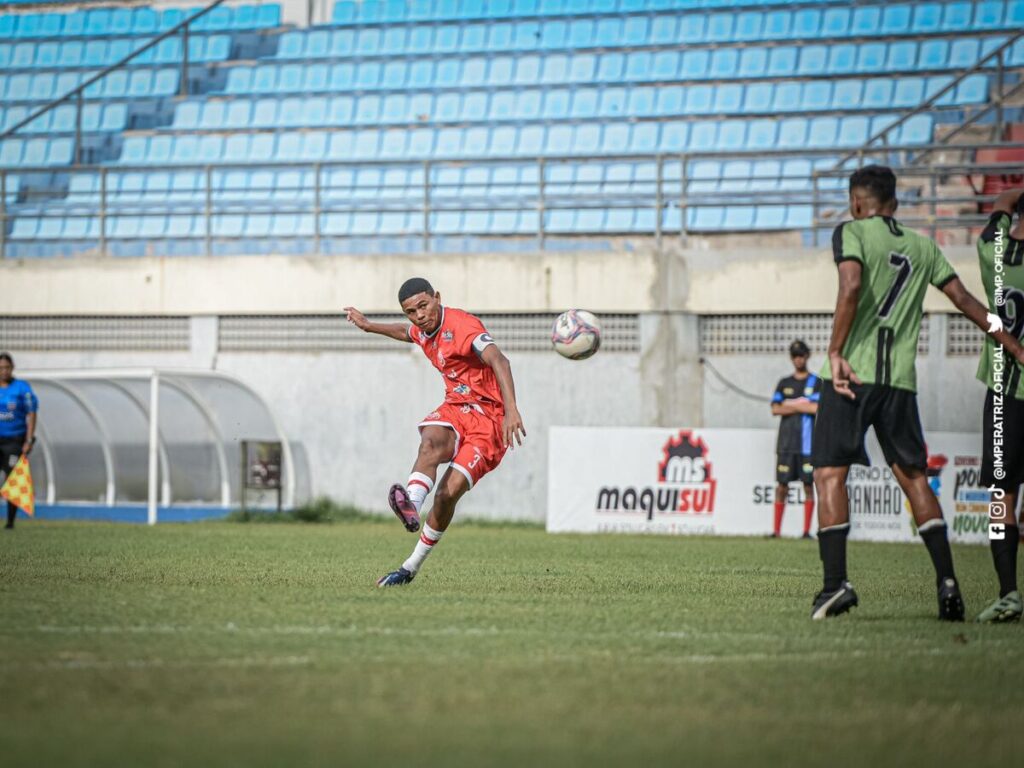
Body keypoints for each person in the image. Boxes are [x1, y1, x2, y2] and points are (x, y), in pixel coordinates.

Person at [809, 165, 1024, 621]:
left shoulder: (851, 233)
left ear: (856, 203)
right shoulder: (924, 247)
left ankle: (834, 586)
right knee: (914, 479)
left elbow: (850, 285)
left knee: (829, 475)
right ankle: (948, 585)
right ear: (896, 205)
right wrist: (1010, 342)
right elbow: (966, 301)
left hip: (853, 375)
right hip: (900, 384)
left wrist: (834, 351)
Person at [344, 278, 526, 587]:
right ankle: (411, 507)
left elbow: (499, 359)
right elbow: (407, 333)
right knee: (430, 441)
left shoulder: (463, 325)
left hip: (491, 421)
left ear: (437, 298)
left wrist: (511, 410)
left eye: (424, 306)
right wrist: (368, 326)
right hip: (457, 406)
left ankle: (410, 567)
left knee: (446, 495)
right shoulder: (421, 328)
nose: (419, 315)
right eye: (411, 311)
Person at [974, 189, 1024, 623]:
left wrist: (1006, 206)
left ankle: (1008, 593)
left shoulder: (993, 251)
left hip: (1004, 391)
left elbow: (1003, 205)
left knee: (998, 496)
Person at [769, 340, 822, 539]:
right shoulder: (784, 383)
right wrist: (802, 404)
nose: (798, 359)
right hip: (786, 444)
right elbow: (775, 409)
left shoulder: (816, 381)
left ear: (807, 356)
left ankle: (807, 531)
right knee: (782, 486)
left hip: (808, 445)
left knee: (808, 485)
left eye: (801, 355)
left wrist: (789, 405)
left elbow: (816, 408)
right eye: (795, 356)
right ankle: (776, 531)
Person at [0, 353, 38, 530]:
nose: (4, 371)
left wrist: (29, 440)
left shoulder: (22, 388)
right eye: (0, 368)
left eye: (6, 367)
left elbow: (31, 413)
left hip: (14, 441)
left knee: (12, 480)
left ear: (12, 368)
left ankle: (10, 522)